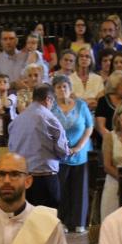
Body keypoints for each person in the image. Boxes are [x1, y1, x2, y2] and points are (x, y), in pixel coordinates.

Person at [7, 84, 69, 209]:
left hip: (22, 178)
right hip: (44, 178)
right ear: (48, 99)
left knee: (24, 219)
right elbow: (62, 152)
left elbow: (11, 149)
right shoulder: (50, 118)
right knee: (46, 221)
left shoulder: (17, 120)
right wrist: (69, 151)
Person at [52, 74, 93, 233]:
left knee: (80, 189)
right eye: (58, 87)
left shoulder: (81, 105)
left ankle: (79, 222)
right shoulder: (52, 107)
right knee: (61, 190)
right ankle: (62, 221)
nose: (62, 90)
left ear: (70, 89)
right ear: (54, 90)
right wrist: (60, 148)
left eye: (65, 87)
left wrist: (78, 147)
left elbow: (89, 127)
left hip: (80, 154)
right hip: (59, 155)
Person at [70, 44, 103, 111]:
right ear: (77, 59)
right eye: (81, 56)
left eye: (87, 56)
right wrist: (91, 101)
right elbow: (71, 100)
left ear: (91, 60)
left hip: (94, 112)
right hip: (75, 112)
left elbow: (100, 100)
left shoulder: (98, 79)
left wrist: (79, 101)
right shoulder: (69, 79)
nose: (84, 58)